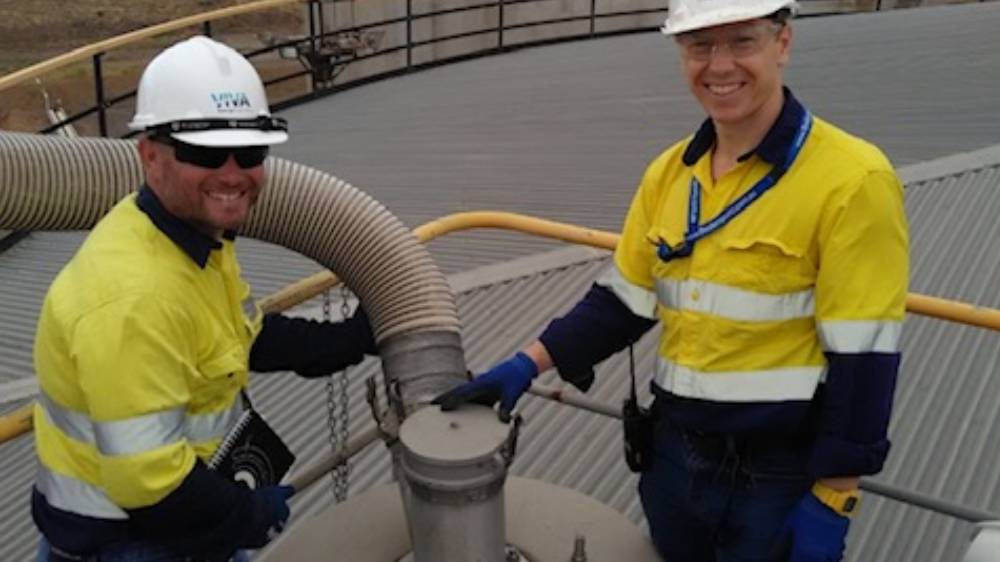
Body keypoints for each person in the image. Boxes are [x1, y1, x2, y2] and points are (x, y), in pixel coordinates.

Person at [434, 1, 908, 561]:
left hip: (775, 476)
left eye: (741, 42)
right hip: (673, 461)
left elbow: (865, 359)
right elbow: (623, 302)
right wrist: (526, 364)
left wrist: (835, 497)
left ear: (783, 43)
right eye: (700, 46)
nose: (719, 65)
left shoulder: (853, 179)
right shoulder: (670, 174)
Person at [31, 36, 377, 562]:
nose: (233, 173)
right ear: (150, 155)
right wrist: (248, 515)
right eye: (207, 151)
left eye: (251, 150)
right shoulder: (133, 298)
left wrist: (350, 340)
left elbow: (243, 335)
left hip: (178, 516)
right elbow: (152, 484)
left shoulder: (190, 238)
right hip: (128, 541)